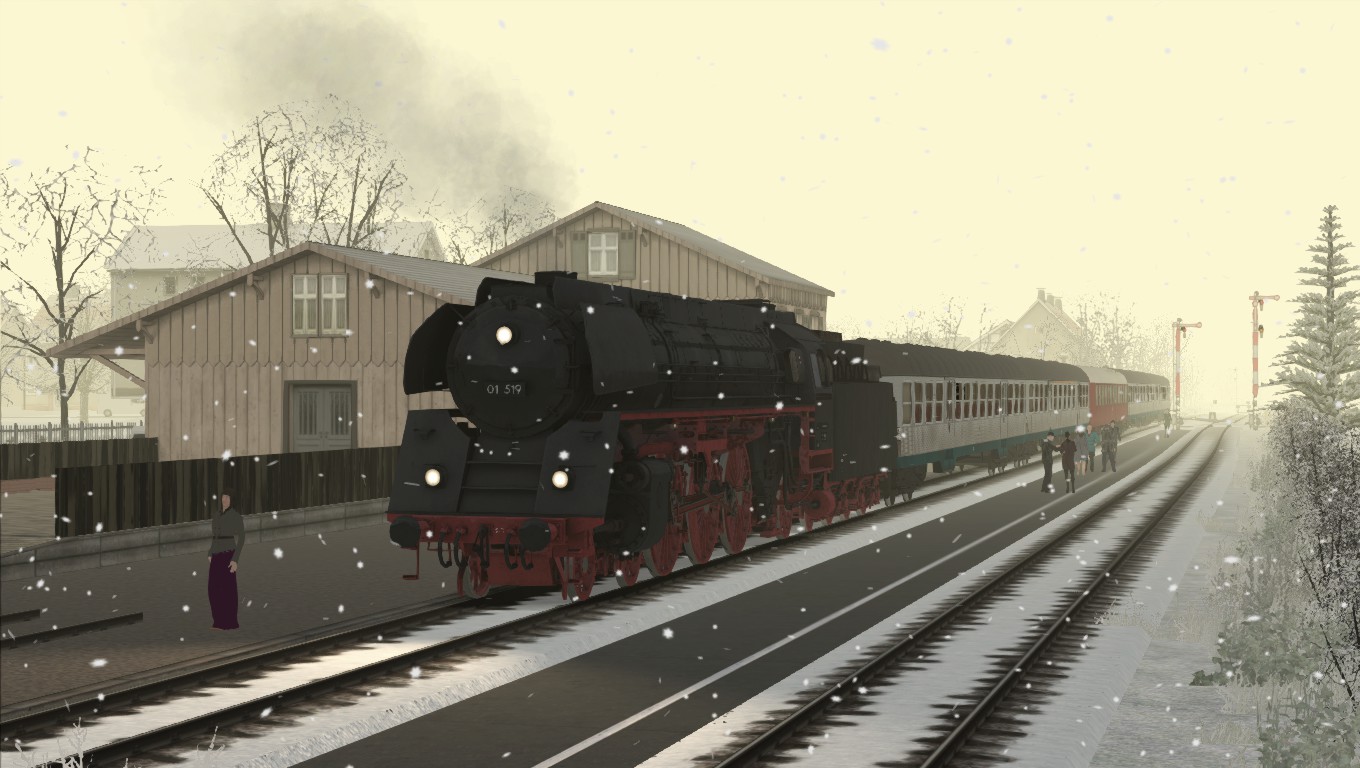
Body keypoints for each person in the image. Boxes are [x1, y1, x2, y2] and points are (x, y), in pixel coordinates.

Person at [208, 489, 244, 630]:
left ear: (232, 500)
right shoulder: (216, 515)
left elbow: (242, 537)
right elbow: (215, 536)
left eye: (228, 497)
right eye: (223, 497)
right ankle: (218, 620)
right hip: (216, 554)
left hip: (228, 554)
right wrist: (210, 552)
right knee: (213, 588)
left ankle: (230, 621)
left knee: (228, 589)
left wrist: (235, 559)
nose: (225, 500)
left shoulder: (235, 516)